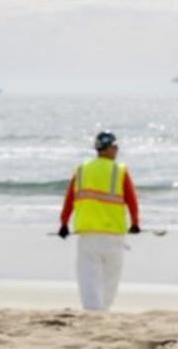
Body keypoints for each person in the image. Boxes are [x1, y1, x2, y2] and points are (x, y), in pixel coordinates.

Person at [57, 132, 140, 311]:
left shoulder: (82, 169)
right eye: (115, 147)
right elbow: (132, 200)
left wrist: (63, 224)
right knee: (110, 278)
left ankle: (93, 311)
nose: (117, 150)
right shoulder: (120, 170)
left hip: (88, 235)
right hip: (113, 236)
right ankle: (103, 311)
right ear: (108, 148)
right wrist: (135, 223)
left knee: (88, 278)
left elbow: (69, 199)